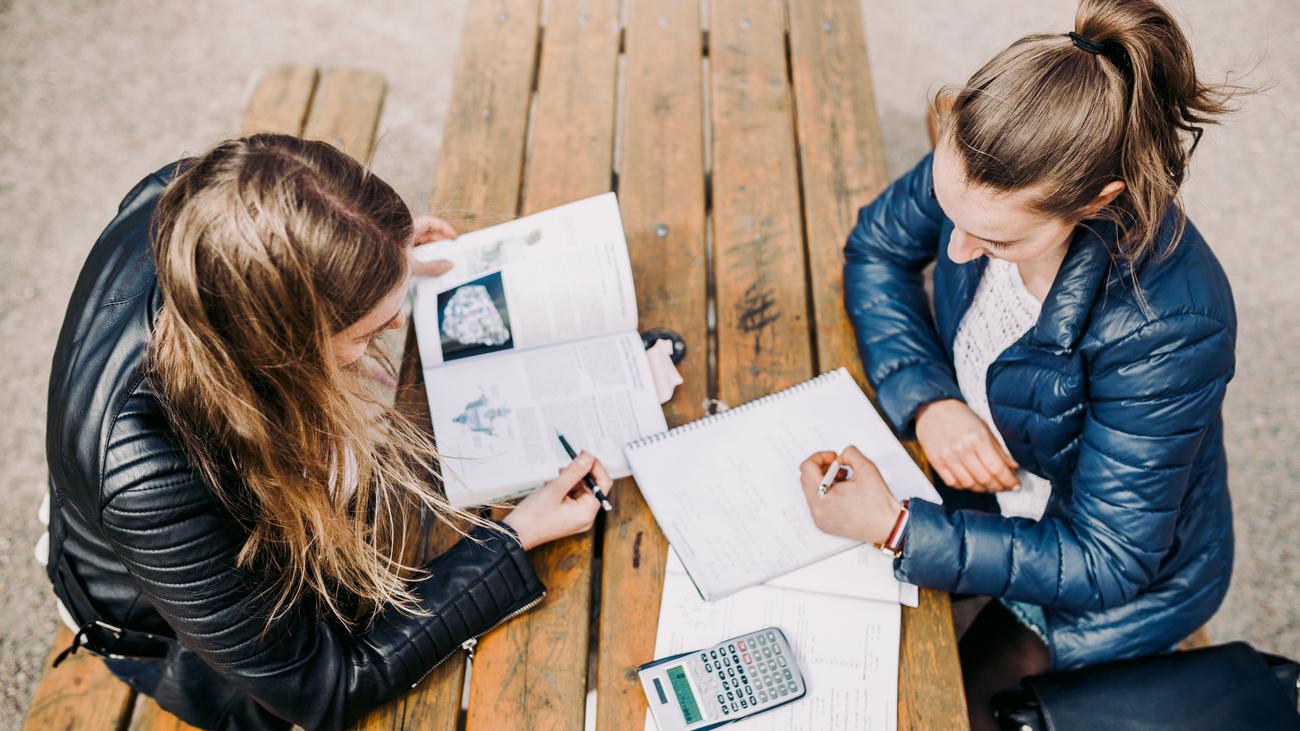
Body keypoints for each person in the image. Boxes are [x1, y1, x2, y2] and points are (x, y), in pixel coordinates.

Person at [43, 134, 613, 730]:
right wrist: (515, 537)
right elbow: (323, 686)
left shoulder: (192, 200)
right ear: (282, 341)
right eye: (372, 329)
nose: (398, 321)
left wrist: (374, 263)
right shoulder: (149, 475)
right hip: (183, 652)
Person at [799, 0, 1238, 727]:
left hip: (1102, 579)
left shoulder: (1169, 327)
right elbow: (877, 246)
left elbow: (1107, 560)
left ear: (1097, 201)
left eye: (996, 241)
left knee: (928, 709)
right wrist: (929, 397)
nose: (959, 250)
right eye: (949, 209)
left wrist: (900, 529)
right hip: (980, 486)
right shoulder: (987, 158)